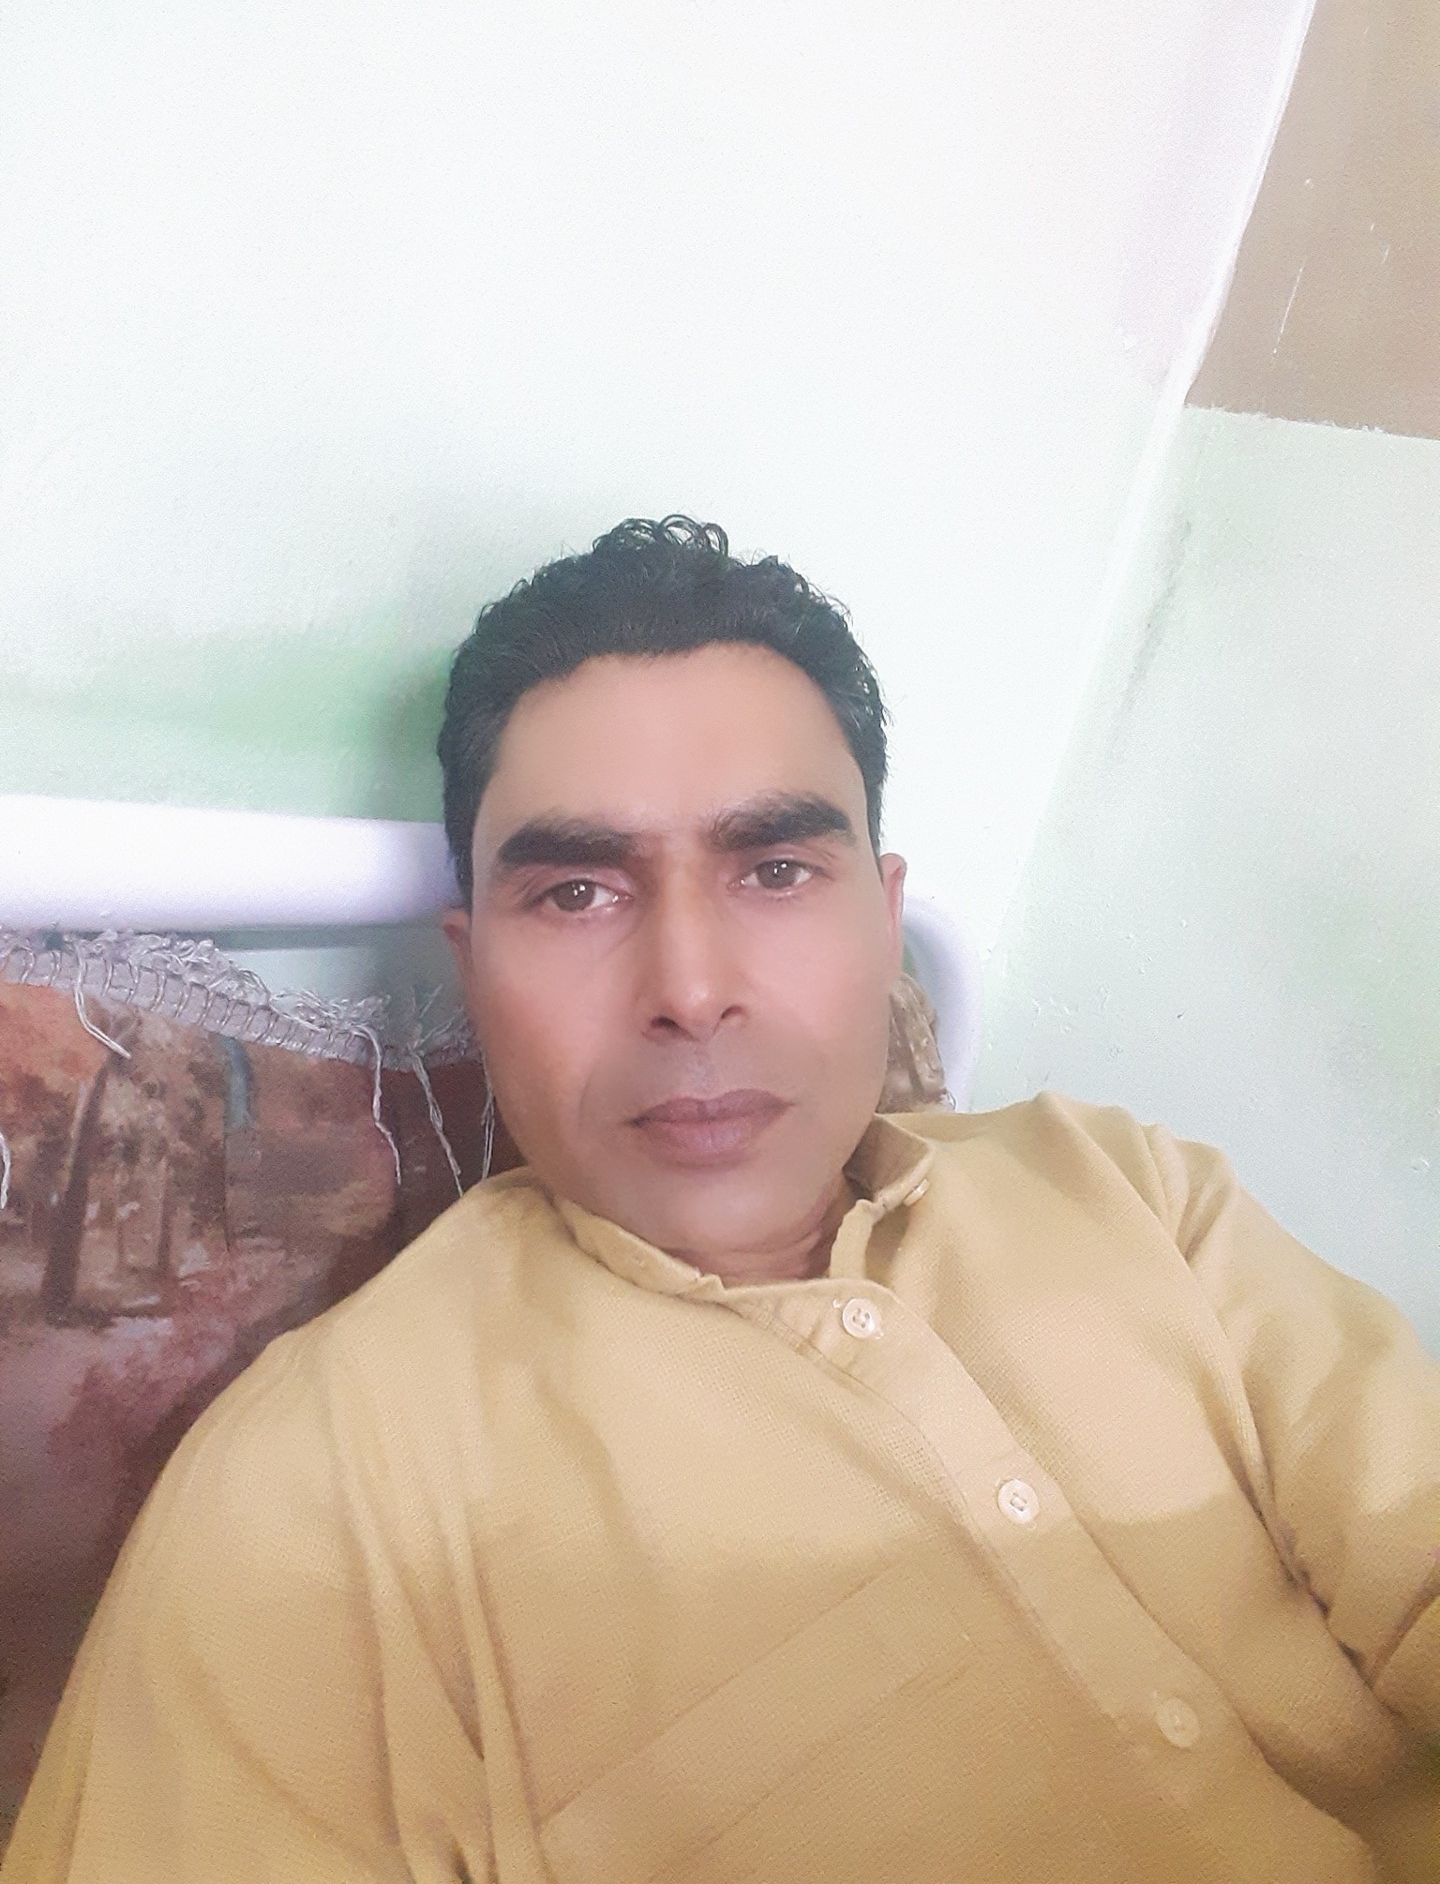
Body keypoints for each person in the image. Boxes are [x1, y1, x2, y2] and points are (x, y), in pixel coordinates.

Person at [4, 517, 1436, 1883]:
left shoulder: (1131, 1188)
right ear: (472, 963)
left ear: (884, 919)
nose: (690, 990)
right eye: (577, 894)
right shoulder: (320, 1503)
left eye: (776, 869)